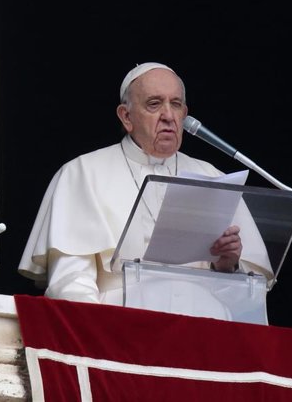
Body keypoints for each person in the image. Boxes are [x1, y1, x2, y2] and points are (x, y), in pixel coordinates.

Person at [18, 62, 272, 308]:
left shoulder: (214, 178)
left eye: (176, 105)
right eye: (154, 104)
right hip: (121, 330)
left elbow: (249, 299)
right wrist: (105, 333)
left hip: (205, 332)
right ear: (126, 116)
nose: (168, 116)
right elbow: (71, 283)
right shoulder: (83, 173)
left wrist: (227, 265)